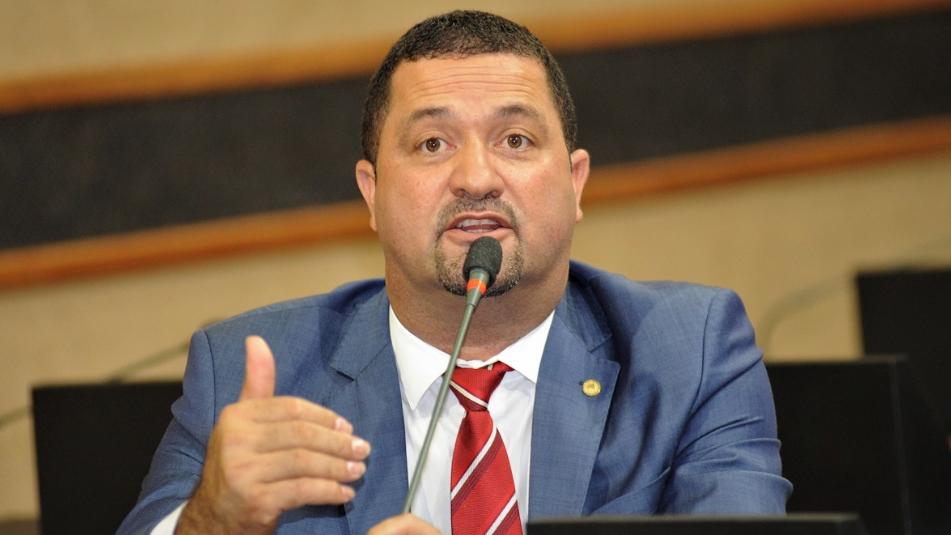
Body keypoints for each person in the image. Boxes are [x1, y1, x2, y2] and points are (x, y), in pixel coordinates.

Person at [119, 10, 791, 535]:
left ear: (575, 183)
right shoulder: (250, 373)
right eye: (432, 143)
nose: (475, 177)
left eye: (515, 140)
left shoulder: (689, 350)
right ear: (372, 194)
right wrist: (213, 519)